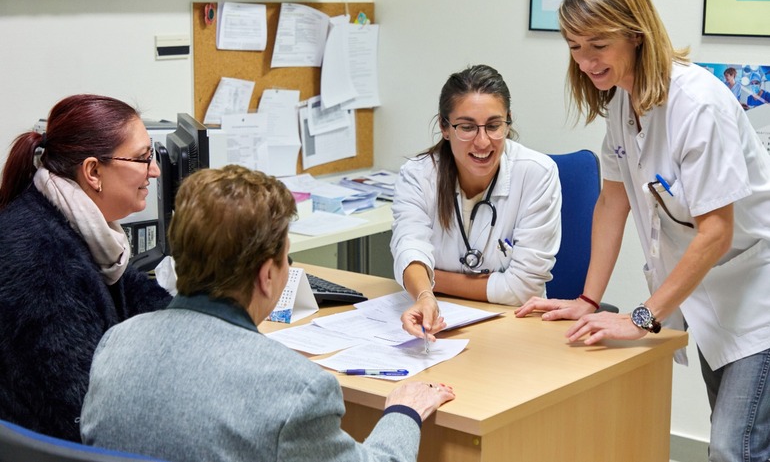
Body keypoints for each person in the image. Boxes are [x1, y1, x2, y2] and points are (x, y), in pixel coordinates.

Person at [515, 0, 770, 461]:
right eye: (573, 46)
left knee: (732, 448)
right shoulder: (622, 103)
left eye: (597, 44)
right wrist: (590, 299)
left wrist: (641, 317)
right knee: (742, 443)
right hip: (709, 292)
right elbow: (614, 201)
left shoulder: (697, 105)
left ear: (635, 33)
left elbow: (717, 232)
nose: (585, 61)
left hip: (756, 294)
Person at [80, 165, 455, 462]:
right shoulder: (296, 389)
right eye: (286, 258)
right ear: (267, 275)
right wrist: (403, 413)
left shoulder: (116, 343)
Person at [0, 94, 172, 441]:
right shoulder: (42, 262)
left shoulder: (80, 228)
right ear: (93, 172)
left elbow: (139, 296)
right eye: (143, 158)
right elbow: (83, 414)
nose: (154, 170)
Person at [391, 64, 562, 341]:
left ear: (508, 122)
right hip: (438, 326)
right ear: (444, 127)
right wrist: (424, 295)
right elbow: (409, 248)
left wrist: (430, 281)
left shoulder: (536, 173)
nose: (483, 142)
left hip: (515, 330)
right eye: (467, 127)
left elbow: (523, 289)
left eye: (494, 126)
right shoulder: (419, 175)